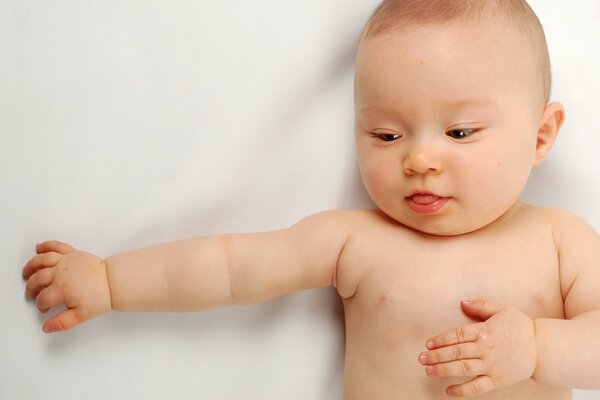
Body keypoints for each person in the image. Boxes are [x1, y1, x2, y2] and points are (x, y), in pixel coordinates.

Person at [22, 0, 600, 398]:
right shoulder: (355, 240)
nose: (420, 160)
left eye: (459, 132)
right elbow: (229, 267)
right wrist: (111, 281)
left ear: (541, 135)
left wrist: (536, 347)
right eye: (386, 135)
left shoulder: (559, 241)